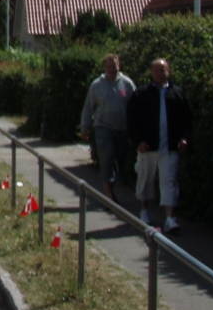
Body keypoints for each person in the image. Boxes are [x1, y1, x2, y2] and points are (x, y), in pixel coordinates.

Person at [127, 58, 193, 233]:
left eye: (163, 70)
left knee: (169, 181)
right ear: (151, 72)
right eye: (156, 70)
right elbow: (131, 120)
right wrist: (137, 141)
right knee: (145, 179)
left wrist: (184, 138)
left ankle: (170, 218)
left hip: (169, 147)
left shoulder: (177, 94)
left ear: (168, 71)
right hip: (148, 147)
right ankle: (144, 210)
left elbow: (187, 119)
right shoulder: (141, 94)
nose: (160, 73)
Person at [79, 54, 135, 202]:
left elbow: (135, 107)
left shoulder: (127, 84)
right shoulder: (97, 85)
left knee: (119, 161)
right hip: (103, 128)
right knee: (107, 158)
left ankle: (111, 189)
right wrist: (84, 127)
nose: (112, 69)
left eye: (114, 66)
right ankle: (109, 196)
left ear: (119, 66)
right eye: (109, 67)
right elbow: (88, 107)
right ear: (104, 67)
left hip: (122, 129)